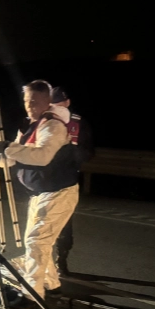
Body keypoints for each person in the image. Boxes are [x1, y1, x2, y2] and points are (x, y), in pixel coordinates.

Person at [0, 80, 79, 309]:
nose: (30, 106)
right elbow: (13, 159)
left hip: (59, 193)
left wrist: (7, 148)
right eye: (27, 101)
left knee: (36, 242)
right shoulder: (31, 126)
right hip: (40, 194)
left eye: (35, 101)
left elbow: (42, 157)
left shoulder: (53, 125)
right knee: (41, 243)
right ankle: (51, 285)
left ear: (47, 102)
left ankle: (32, 299)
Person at [49, 87, 94, 277]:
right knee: (39, 225)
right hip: (41, 182)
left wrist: (69, 153)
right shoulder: (41, 121)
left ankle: (61, 261)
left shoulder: (78, 124)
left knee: (64, 224)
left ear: (67, 103)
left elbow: (88, 152)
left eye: (58, 103)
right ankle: (43, 264)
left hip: (66, 181)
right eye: (51, 104)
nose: (54, 108)